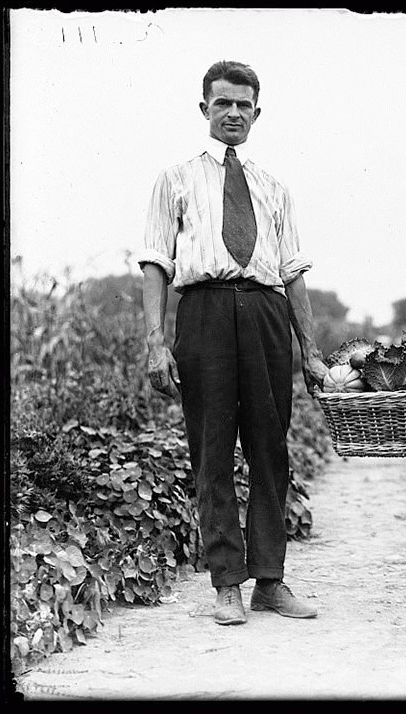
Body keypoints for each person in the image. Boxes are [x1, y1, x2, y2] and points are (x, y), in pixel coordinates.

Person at [136, 60, 331, 626]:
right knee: (212, 449)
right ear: (204, 110)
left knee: (271, 449)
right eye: (223, 103)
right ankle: (227, 584)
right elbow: (155, 262)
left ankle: (270, 579)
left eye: (244, 105)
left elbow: (293, 271)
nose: (233, 114)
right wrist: (156, 342)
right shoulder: (174, 180)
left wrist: (311, 352)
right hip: (204, 313)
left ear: (257, 114)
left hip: (267, 314)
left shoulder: (274, 188)